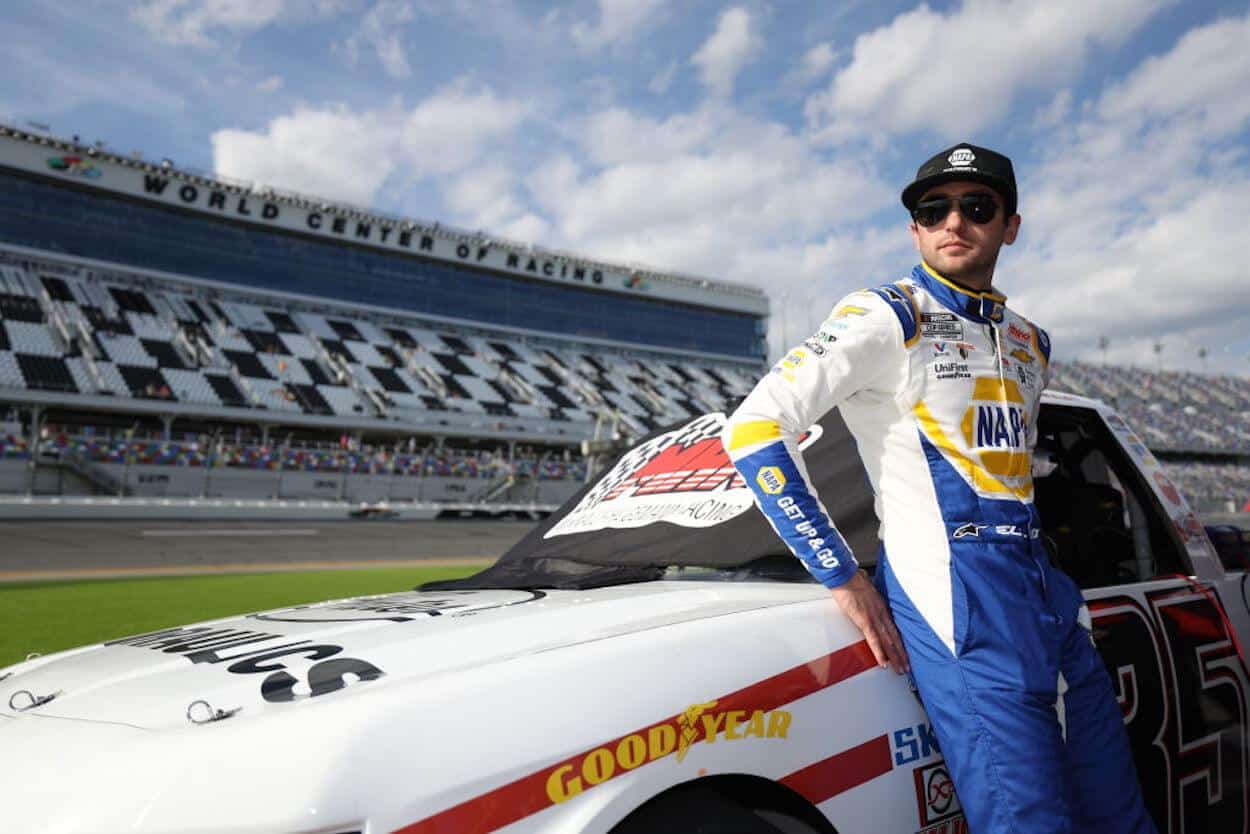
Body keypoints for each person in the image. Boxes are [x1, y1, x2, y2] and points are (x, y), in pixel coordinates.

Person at [723, 143, 1155, 834]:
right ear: (916, 229)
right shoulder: (888, 314)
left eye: (976, 206)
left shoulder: (1030, 342)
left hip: (1046, 594)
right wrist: (842, 574)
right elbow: (753, 429)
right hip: (956, 598)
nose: (954, 222)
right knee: (1031, 825)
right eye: (933, 209)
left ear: (1011, 224)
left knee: (1121, 819)